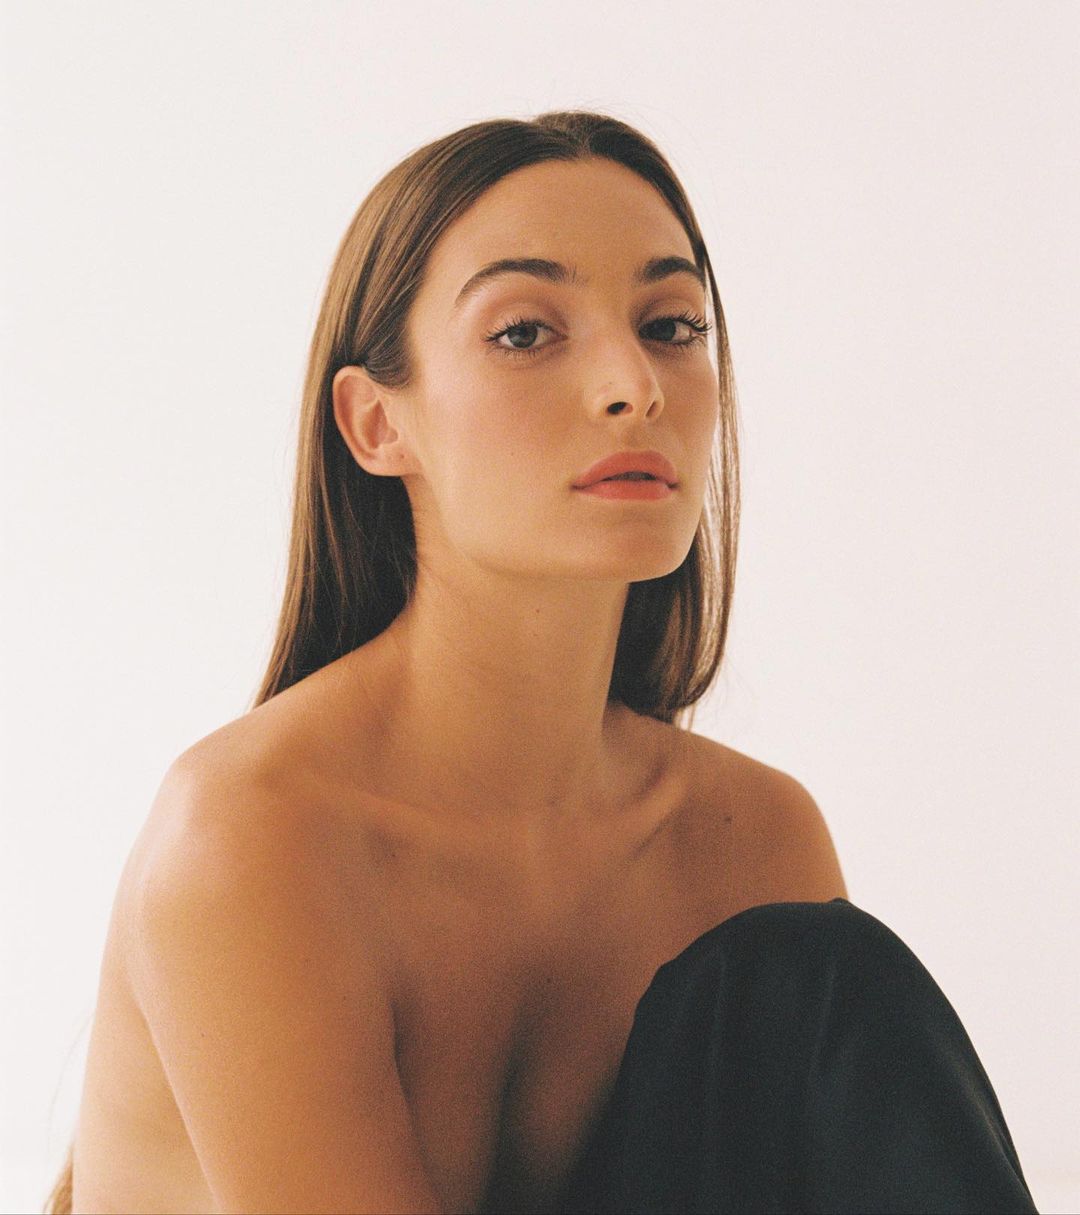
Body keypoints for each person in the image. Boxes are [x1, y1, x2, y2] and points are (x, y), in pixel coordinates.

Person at [48, 110, 1037, 1214]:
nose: (634, 384)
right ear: (375, 425)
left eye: (671, 325)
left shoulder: (748, 844)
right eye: (525, 333)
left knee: (818, 972)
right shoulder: (256, 839)